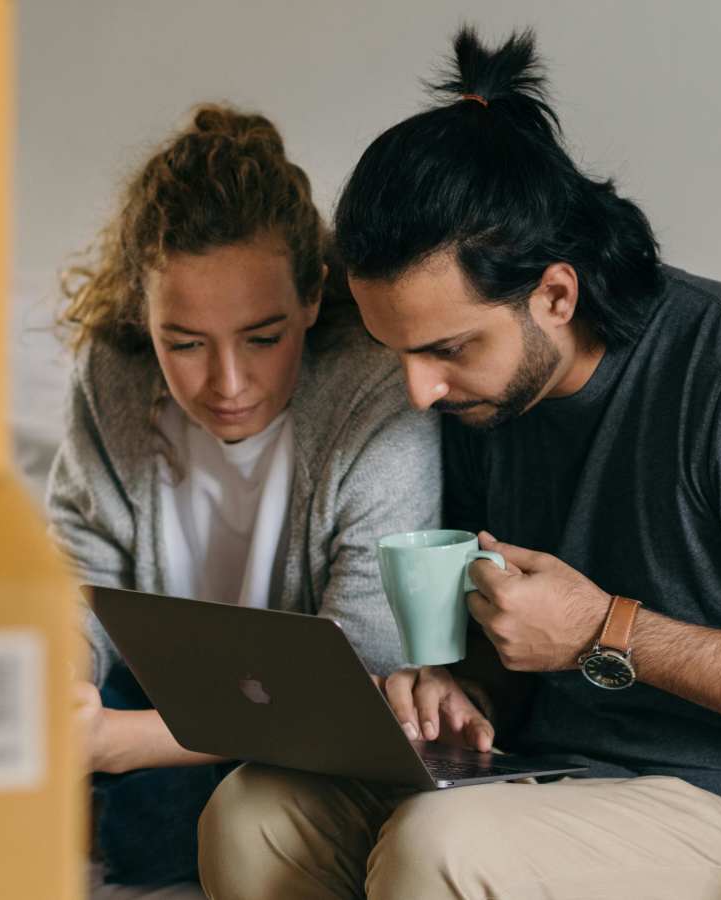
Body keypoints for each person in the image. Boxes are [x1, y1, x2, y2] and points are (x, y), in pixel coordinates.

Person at [196, 29, 721, 900]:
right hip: (554, 772)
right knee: (254, 810)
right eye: (397, 351)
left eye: (446, 348)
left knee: (439, 845)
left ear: (557, 294)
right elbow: (522, 657)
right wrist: (459, 691)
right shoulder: (488, 397)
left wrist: (606, 629)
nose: (418, 391)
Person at [44, 104, 439, 887]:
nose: (227, 384)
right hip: (149, 689)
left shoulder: (376, 395)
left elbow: (367, 677)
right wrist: (63, 690)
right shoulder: (113, 376)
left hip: (305, 731)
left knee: (214, 808)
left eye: (263, 338)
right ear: (143, 316)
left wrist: (121, 745)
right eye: (183, 344)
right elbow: (74, 585)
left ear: (314, 299)